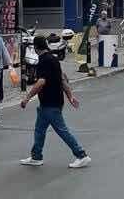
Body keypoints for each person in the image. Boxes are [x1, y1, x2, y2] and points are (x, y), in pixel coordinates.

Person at [20, 33, 90, 168]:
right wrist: (70, 96)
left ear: (35, 48)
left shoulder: (44, 60)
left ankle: (81, 155)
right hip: (51, 102)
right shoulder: (53, 59)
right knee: (39, 130)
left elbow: (41, 82)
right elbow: (62, 79)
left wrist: (27, 98)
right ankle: (36, 156)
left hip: (50, 103)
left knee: (62, 130)